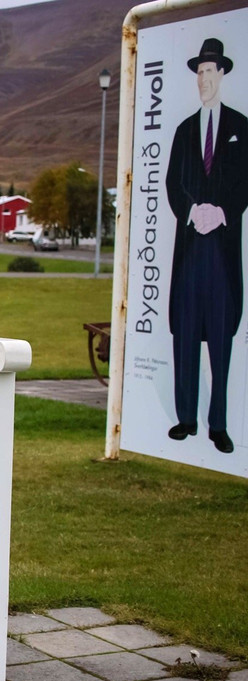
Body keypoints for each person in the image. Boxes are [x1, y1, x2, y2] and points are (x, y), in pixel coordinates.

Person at [165, 37, 248, 455]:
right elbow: (173, 184)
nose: (203, 79)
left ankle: (218, 423)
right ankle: (186, 417)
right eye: (199, 72)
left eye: (209, 72)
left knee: (220, 335)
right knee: (185, 334)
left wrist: (225, 211)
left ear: (222, 75)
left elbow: (244, 182)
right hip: (190, 250)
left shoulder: (240, 128)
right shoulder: (184, 130)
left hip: (222, 251)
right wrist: (192, 209)